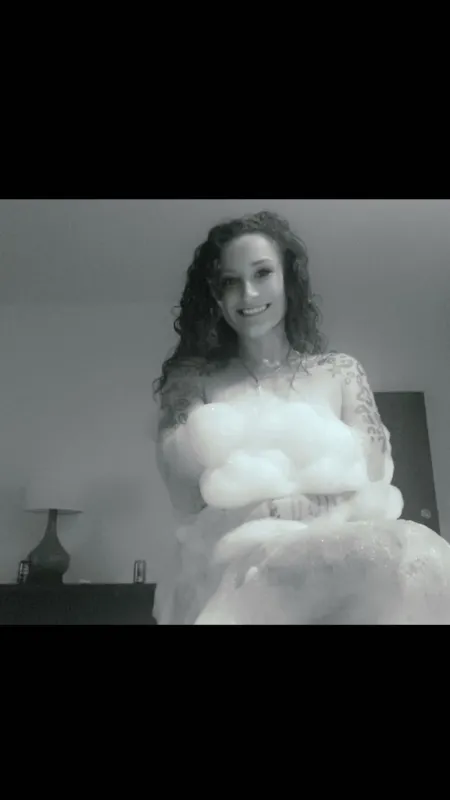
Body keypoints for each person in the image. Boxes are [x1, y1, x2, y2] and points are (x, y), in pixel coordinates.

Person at [152, 210, 450, 624]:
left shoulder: (341, 372)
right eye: (230, 282)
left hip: (343, 576)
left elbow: (373, 481)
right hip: (236, 577)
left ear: (288, 280)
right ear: (215, 296)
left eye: (262, 273)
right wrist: (286, 513)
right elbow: (190, 503)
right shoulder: (191, 383)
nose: (249, 293)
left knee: (418, 554)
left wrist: (285, 511)